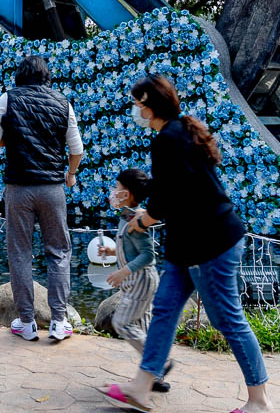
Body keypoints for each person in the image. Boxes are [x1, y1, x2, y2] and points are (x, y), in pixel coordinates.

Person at [101, 74, 271, 413]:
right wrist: (148, 213)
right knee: (163, 311)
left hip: (209, 243)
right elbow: (174, 191)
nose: (135, 110)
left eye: (137, 104)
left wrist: (142, 220)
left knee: (228, 321)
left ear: (149, 106)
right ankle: (141, 387)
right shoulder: (179, 131)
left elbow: (166, 197)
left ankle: (259, 402)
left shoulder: (169, 139)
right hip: (186, 245)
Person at [0, 54, 84, 342]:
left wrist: (12, 139)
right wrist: (71, 174)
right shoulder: (62, 102)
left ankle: (26, 322)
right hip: (52, 188)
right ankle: (59, 321)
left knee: (19, 253)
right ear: (46, 76)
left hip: (18, 188)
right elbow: (76, 149)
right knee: (59, 251)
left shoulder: (8, 99)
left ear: (20, 75)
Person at [99, 168, 169, 393]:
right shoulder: (125, 217)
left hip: (141, 281)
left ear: (126, 194)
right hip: (137, 281)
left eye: (117, 188)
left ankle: (159, 362)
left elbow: (148, 255)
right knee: (142, 325)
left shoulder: (136, 220)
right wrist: (111, 252)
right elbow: (129, 250)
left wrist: (122, 272)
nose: (113, 192)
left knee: (123, 323)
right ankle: (155, 377)